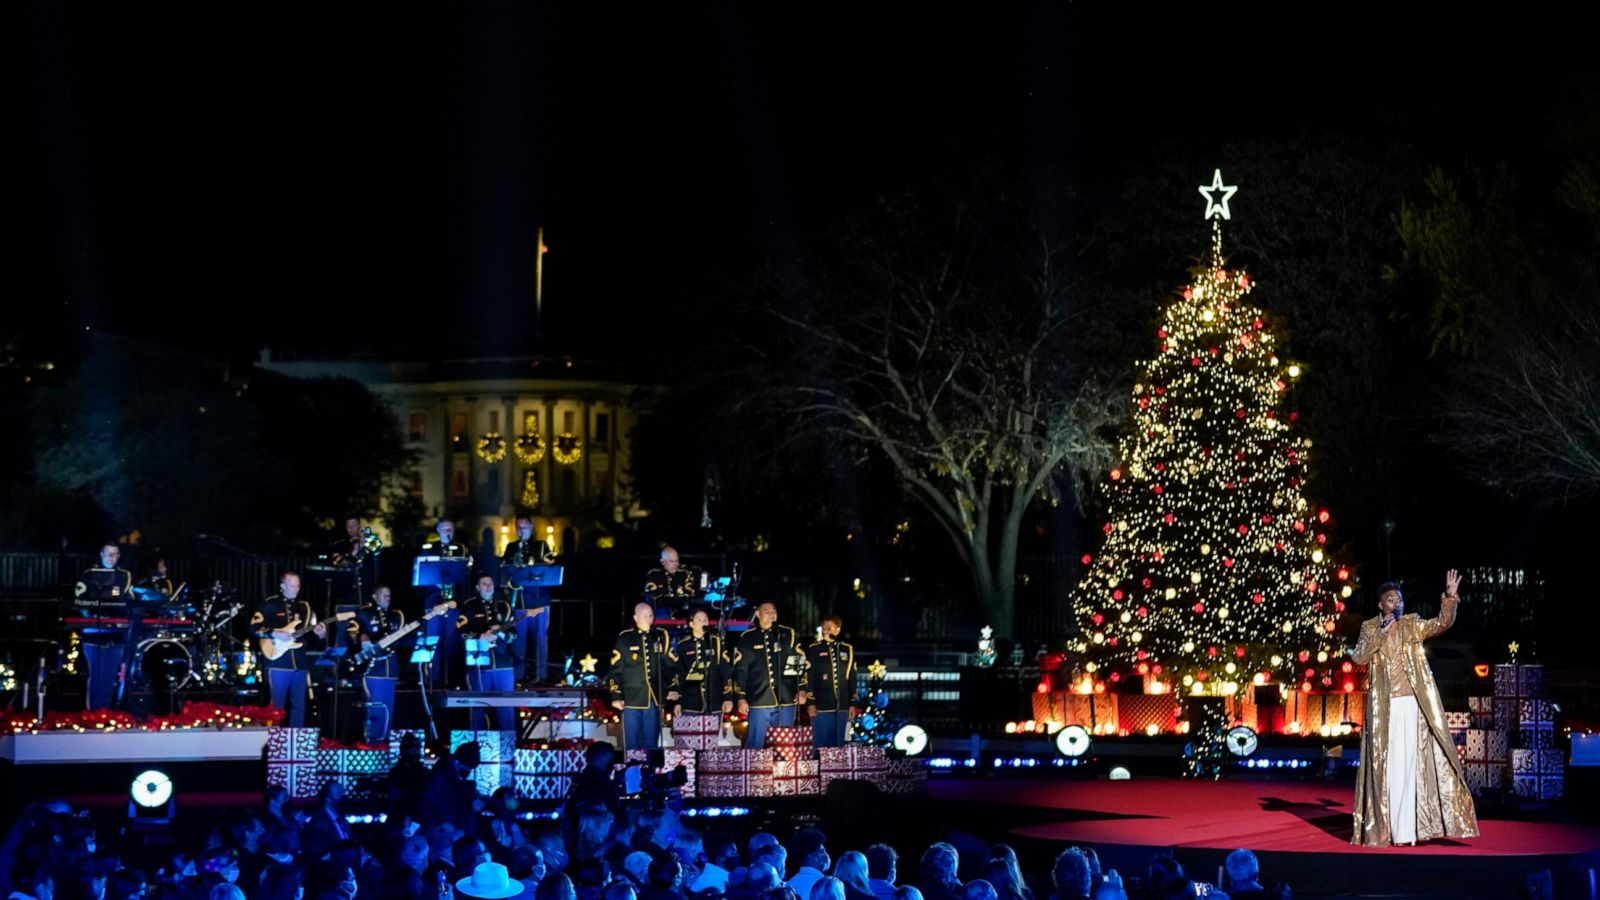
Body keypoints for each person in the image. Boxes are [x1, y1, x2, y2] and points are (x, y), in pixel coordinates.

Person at [1349, 570, 1479, 847]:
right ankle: (1388, 829)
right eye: (1390, 599)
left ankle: (1408, 831)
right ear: (1381, 605)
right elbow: (1359, 657)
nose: (1396, 603)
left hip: (1413, 704)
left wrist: (1450, 597)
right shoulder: (1370, 628)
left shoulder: (1412, 624)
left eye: (1399, 599)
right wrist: (1380, 635)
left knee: (1410, 766)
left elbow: (1443, 623)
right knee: (1388, 766)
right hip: (1384, 708)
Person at [251, 571, 325, 727]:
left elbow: (308, 639)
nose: (296, 589)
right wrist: (274, 633)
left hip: (300, 662)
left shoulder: (305, 607)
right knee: (276, 705)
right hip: (278, 662)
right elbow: (253, 627)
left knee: (299, 705)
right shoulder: (270, 604)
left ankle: (296, 742)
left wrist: (319, 635)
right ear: (282, 586)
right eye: (292, 586)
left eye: (298, 586)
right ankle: (275, 741)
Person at [728, 602, 806, 749]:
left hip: (786, 698)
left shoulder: (788, 633)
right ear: (758, 614)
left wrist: (802, 688)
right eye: (766, 610)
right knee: (755, 743)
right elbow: (741, 670)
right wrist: (741, 698)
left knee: (784, 743)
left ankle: (782, 771)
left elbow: (799, 661)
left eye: (774, 610)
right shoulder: (748, 637)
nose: (771, 613)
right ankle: (754, 770)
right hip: (759, 699)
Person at [607, 602, 678, 750]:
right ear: (636, 618)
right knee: (632, 744)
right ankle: (633, 771)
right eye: (645, 615)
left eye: (651, 615)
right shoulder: (625, 638)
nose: (649, 619)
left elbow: (670, 665)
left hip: (654, 698)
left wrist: (674, 687)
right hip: (631, 699)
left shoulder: (661, 635)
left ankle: (649, 771)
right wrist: (616, 695)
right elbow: (616, 669)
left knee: (651, 744)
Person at [75, 542, 135, 709]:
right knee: (95, 674)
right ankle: (92, 712)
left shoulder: (124, 576)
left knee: (111, 675)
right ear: (101, 554)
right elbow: (80, 601)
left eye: (115, 554)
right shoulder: (88, 575)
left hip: (116, 634)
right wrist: (91, 614)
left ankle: (109, 711)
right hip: (94, 634)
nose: (111, 557)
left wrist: (121, 615)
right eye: (108, 553)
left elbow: (128, 600)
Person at [501, 515, 556, 685]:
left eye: (524, 527)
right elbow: (504, 571)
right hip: (520, 602)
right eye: (518, 527)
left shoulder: (540, 546)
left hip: (540, 601)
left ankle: (541, 676)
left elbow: (551, 567)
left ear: (531, 528)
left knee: (540, 640)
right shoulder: (511, 547)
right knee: (519, 641)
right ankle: (519, 676)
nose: (521, 530)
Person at [459, 575, 517, 731]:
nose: (488, 586)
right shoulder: (469, 606)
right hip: (479, 665)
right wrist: (480, 637)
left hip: (503, 664)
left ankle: (508, 747)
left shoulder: (504, 606)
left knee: (506, 709)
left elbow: (513, 635)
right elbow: (460, 632)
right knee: (477, 707)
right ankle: (476, 748)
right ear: (477, 587)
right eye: (484, 584)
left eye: (490, 583)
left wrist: (502, 634)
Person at [420, 518, 473, 686]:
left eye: (450, 529)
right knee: (434, 640)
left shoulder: (461, 549)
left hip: (453, 602)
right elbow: (421, 575)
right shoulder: (429, 550)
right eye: (444, 529)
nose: (448, 532)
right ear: (438, 530)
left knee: (450, 640)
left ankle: (450, 678)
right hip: (434, 600)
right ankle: (434, 679)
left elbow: (466, 575)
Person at [348, 584, 404, 736]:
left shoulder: (396, 615)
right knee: (374, 708)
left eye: (389, 595)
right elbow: (351, 631)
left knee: (389, 710)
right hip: (373, 668)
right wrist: (362, 638)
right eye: (383, 594)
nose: (387, 598)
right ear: (375, 596)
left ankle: (385, 743)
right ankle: (372, 743)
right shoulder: (364, 612)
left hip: (390, 668)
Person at [803, 615, 857, 747]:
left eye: (829, 628)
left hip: (842, 704)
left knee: (841, 742)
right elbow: (808, 676)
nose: (825, 631)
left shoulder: (847, 649)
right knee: (820, 743)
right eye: (823, 628)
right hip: (821, 705)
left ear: (837, 630)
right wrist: (810, 702)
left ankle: (838, 767)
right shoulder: (813, 649)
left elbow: (852, 677)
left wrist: (852, 702)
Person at [670, 608, 729, 719]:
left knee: (713, 736)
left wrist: (728, 698)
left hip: (714, 701)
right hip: (690, 702)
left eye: (705, 619)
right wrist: (678, 701)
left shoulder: (716, 642)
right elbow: (679, 674)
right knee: (692, 736)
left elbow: (725, 671)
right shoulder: (683, 645)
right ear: (691, 624)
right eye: (699, 619)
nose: (703, 622)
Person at [643, 546, 701, 613]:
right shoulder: (653, 574)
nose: (675, 564)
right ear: (662, 562)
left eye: (677, 561)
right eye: (671, 561)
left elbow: (691, 593)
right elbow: (650, 596)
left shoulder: (685, 573)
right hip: (661, 609)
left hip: (683, 609)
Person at [786, 830, 830, 900]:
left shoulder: (789, 884)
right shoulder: (826, 884)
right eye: (822, 851)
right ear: (810, 855)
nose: (826, 855)